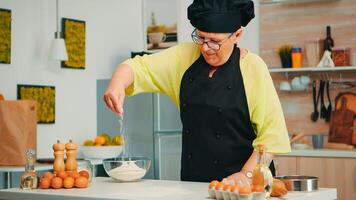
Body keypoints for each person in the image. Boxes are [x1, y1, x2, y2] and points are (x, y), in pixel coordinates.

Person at [104, 0, 291, 183]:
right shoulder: (184, 58)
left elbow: (272, 136)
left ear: (237, 35)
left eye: (215, 42)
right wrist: (117, 84)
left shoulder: (253, 67)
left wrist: (246, 175)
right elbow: (137, 67)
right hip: (194, 183)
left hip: (247, 184)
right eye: (201, 38)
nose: (205, 48)